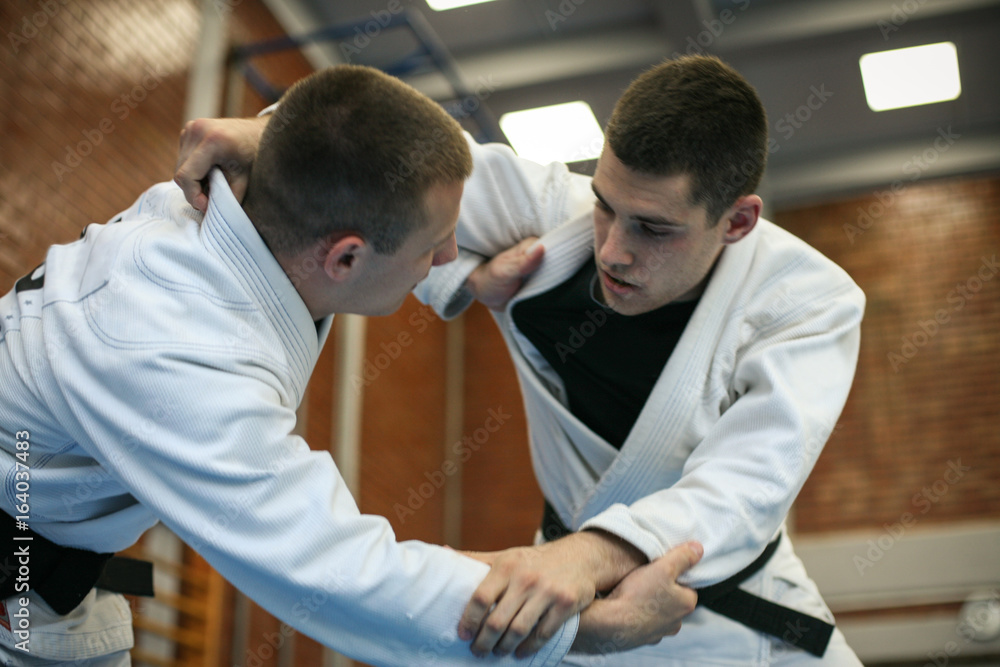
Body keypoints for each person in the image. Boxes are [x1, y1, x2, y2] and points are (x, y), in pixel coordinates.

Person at [0, 65, 703, 667]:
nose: (452, 255)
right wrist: (590, 628)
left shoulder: (225, 205)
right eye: (436, 242)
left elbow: (334, 134)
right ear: (344, 258)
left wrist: (263, 129)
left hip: (46, 566)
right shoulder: (178, 354)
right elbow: (338, 573)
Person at [174, 55, 865, 665]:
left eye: (654, 228)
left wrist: (585, 554)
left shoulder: (809, 302)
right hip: (565, 601)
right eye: (606, 205)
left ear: (738, 222)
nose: (614, 249)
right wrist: (263, 135)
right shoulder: (548, 214)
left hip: (741, 619)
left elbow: (743, 485)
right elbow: (380, 163)